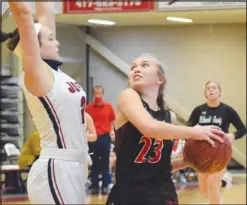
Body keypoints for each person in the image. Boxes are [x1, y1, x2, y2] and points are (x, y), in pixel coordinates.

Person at [106, 54, 225, 205]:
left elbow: (161, 166)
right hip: (129, 194)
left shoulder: (170, 117)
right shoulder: (127, 96)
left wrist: (187, 161)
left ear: (160, 79)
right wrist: (193, 131)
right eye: (133, 67)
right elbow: (149, 127)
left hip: (162, 194)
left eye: (145, 65)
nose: (136, 69)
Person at [1, 2, 89, 204]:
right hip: (56, 167)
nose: (57, 43)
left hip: (74, 165)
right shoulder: (36, 74)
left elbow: (46, 10)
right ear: (34, 46)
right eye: (50, 39)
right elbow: (23, 12)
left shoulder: (56, 74)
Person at [187, 80, 246, 204]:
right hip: (201, 154)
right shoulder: (198, 110)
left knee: (212, 185)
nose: (211, 90)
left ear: (220, 92)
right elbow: (188, 128)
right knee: (204, 190)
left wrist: (232, 135)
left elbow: (242, 129)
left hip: (219, 153)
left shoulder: (227, 110)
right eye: (208, 88)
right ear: (205, 93)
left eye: (214, 88)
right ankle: (220, 193)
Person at [86, 85, 116, 194]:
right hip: (93, 137)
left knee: (105, 160)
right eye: (96, 93)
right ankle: (94, 184)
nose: (98, 95)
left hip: (105, 136)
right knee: (93, 160)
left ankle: (105, 184)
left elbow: (113, 120)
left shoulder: (108, 107)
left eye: (100, 93)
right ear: (93, 94)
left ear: (103, 94)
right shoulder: (88, 108)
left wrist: (112, 130)